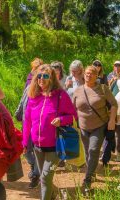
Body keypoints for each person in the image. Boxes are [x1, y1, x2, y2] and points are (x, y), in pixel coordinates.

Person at [23, 64, 77, 200]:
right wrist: (24, 142)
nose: (41, 79)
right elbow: (27, 121)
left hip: (55, 145)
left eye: (45, 76)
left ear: (52, 78)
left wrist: (61, 120)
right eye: (39, 76)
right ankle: (52, 196)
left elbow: (72, 116)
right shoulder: (33, 96)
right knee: (44, 177)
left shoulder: (61, 95)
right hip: (37, 146)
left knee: (46, 177)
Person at [72, 66, 117, 189]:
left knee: (93, 150)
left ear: (96, 76)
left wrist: (112, 120)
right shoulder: (78, 90)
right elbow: (72, 108)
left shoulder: (103, 88)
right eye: (87, 73)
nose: (88, 75)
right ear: (83, 75)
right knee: (87, 152)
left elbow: (114, 104)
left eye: (92, 73)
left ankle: (88, 178)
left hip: (99, 126)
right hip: (83, 127)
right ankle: (92, 172)